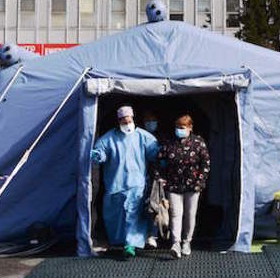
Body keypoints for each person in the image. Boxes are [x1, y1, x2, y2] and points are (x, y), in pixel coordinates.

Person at [90, 105, 160, 258]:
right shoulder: (109, 138)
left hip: (137, 184)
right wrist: (97, 155)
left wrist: (163, 159)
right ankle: (118, 241)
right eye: (123, 120)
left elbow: (155, 153)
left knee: (132, 214)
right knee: (115, 215)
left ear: (133, 118)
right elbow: (100, 150)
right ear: (118, 120)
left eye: (129, 120)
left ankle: (131, 243)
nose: (127, 123)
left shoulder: (144, 136)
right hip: (115, 184)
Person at [155, 114, 210, 259]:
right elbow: (159, 161)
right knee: (175, 214)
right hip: (173, 185)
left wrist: (200, 182)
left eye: (182, 127)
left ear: (190, 127)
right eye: (177, 127)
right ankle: (176, 243)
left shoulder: (198, 142)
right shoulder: (169, 143)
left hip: (193, 186)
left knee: (190, 215)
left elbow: (206, 164)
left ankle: (187, 242)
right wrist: (160, 178)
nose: (179, 130)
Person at [140, 110, 163, 249]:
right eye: (148, 121)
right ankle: (143, 235)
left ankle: (153, 235)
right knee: (142, 208)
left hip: (158, 179)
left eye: (153, 120)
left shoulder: (162, 138)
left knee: (155, 208)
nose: (151, 123)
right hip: (141, 178)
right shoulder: (139, 137)